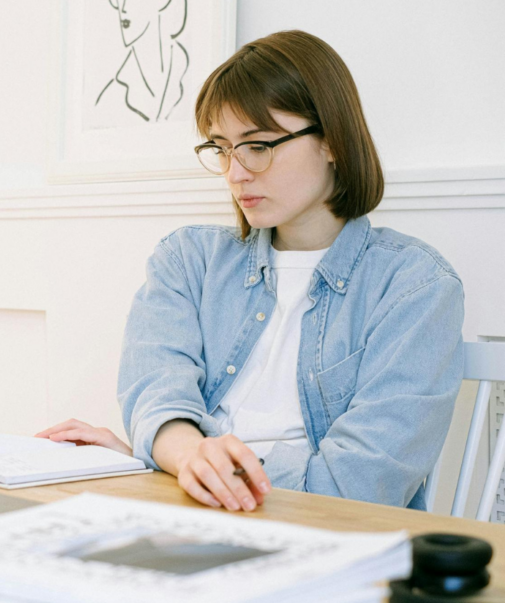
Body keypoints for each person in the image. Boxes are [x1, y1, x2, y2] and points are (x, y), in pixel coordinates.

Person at [37, 30, 464, 512]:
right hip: (188, 519)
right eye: (222, 148)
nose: (235, 173)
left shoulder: (415, 287)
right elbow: (155, 398)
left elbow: (354, 487)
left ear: (332, 142)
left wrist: (172, 462)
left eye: (257, 146)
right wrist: (178, 456)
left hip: (327, 544)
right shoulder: (188, 261)